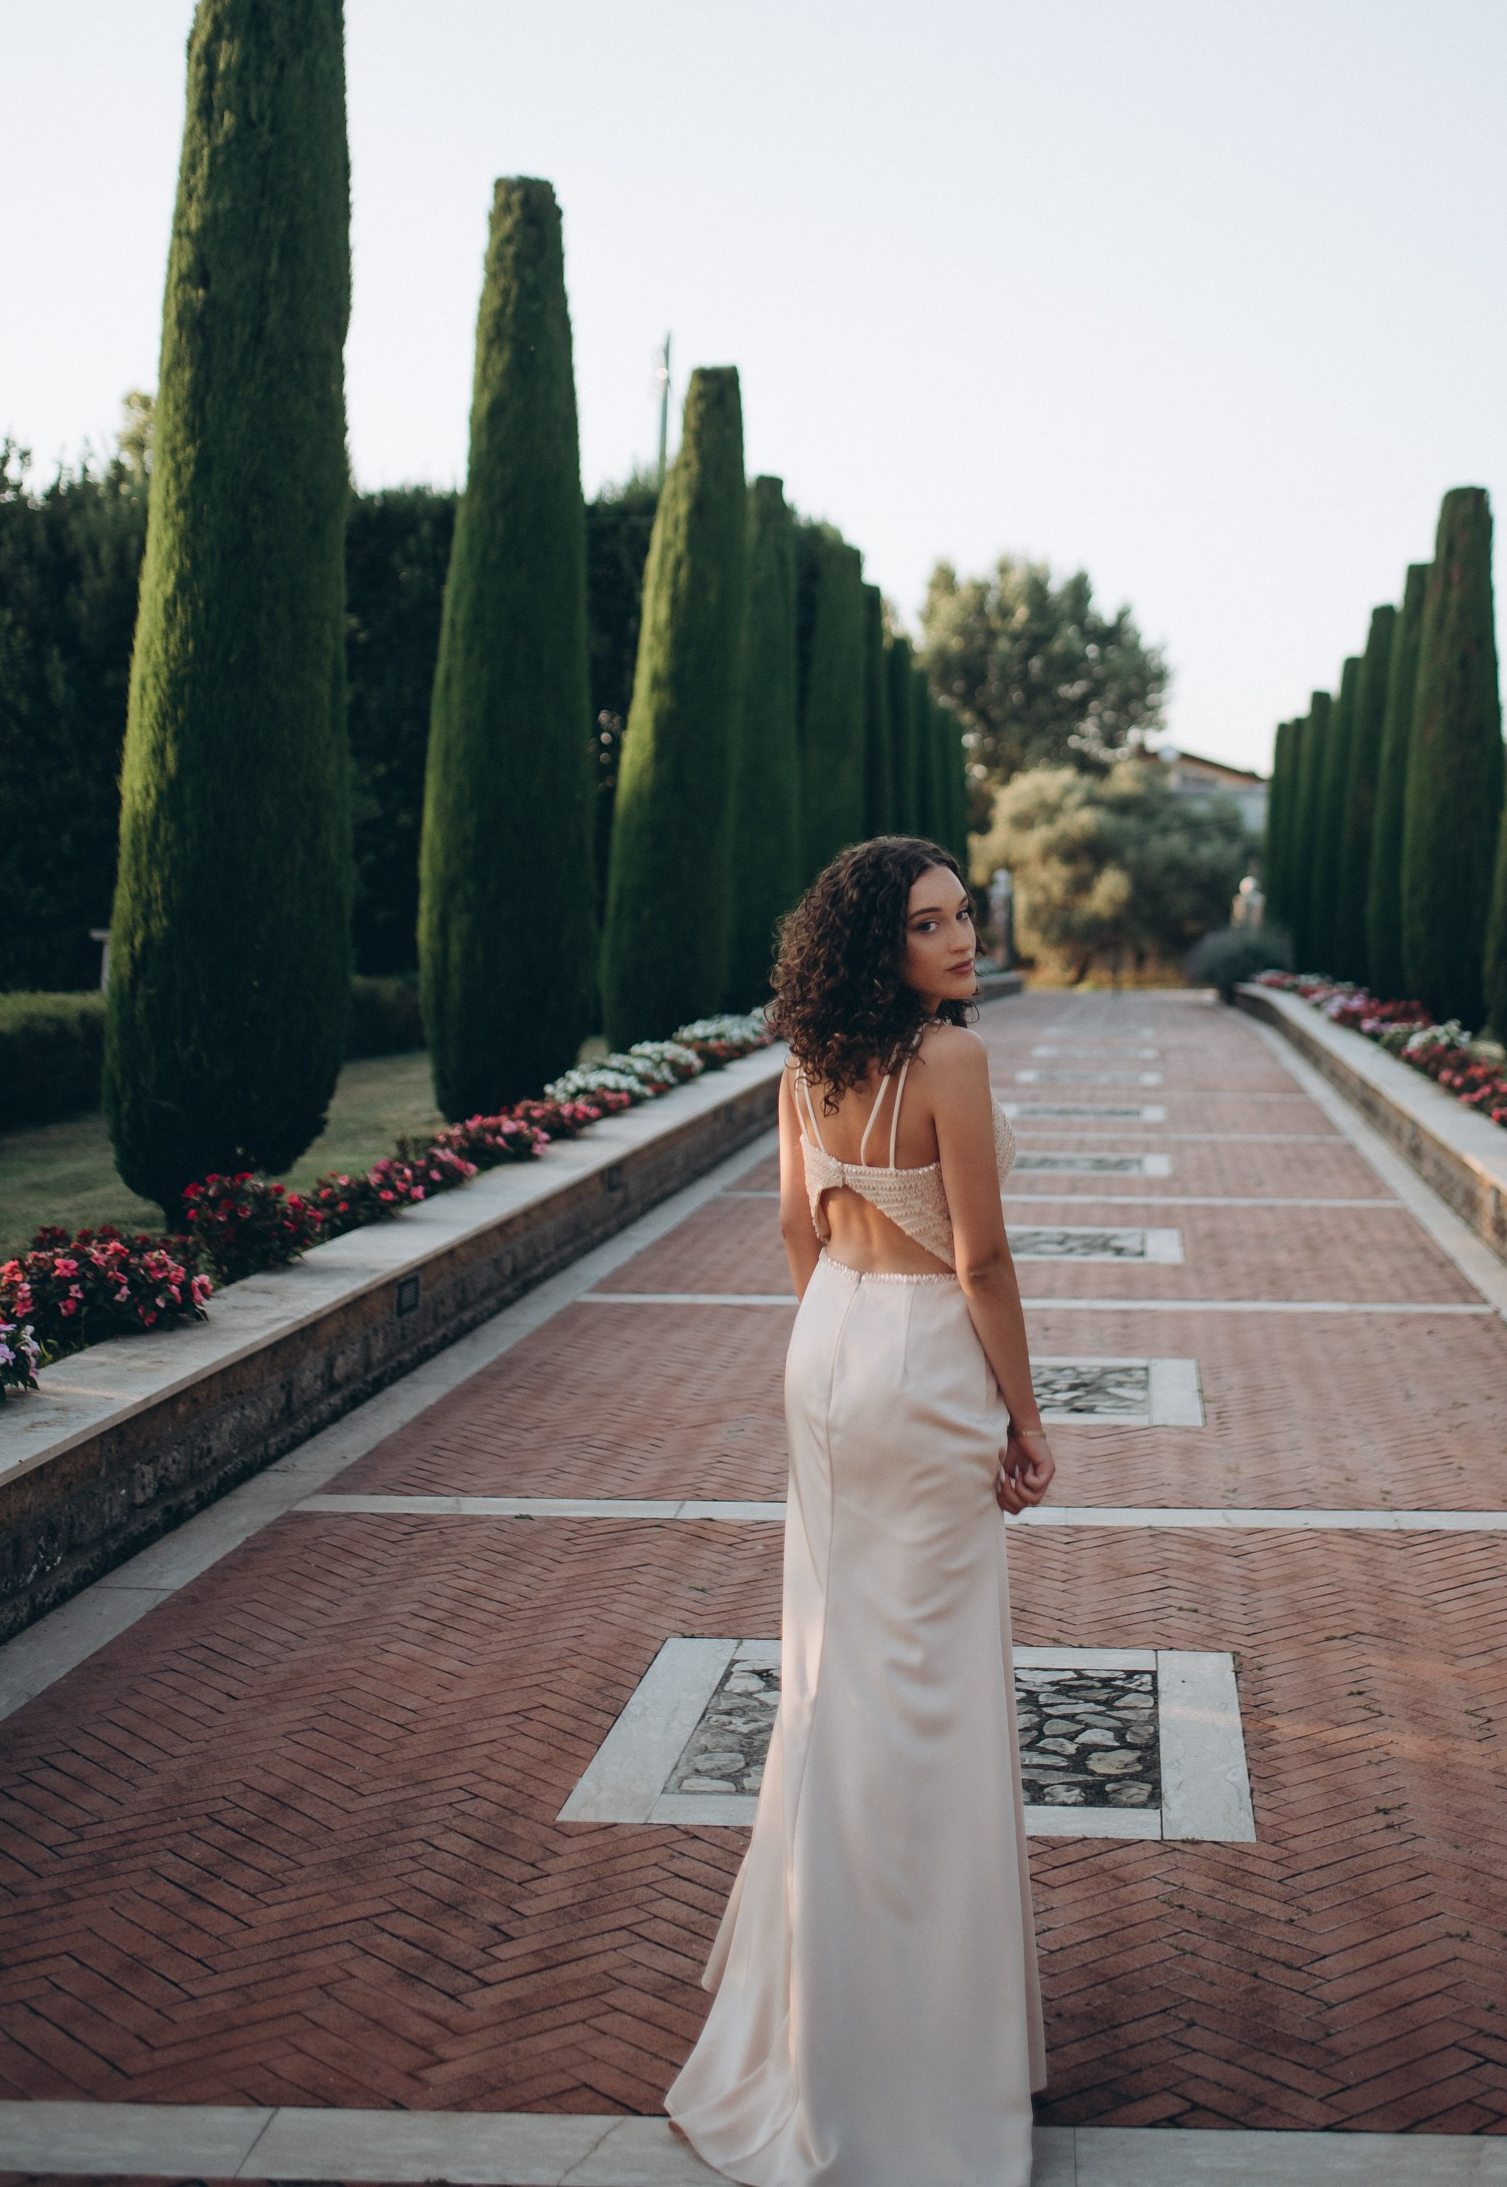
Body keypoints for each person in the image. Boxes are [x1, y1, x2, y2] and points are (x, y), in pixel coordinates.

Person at [667, 835, 1055, 2187]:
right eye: (932, 923)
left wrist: (833, 1348)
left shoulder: (803, 1064)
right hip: (924, 1360)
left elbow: (793, 1229)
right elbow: (984, 1256)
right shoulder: (949, 1062)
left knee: (835, 1677)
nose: (959, 940)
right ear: (879, 944)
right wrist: (1028, 1414)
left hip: (826, 1347)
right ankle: (918, 2051)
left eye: (965, 916)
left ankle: (811, 2023)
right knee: (927, 1688)